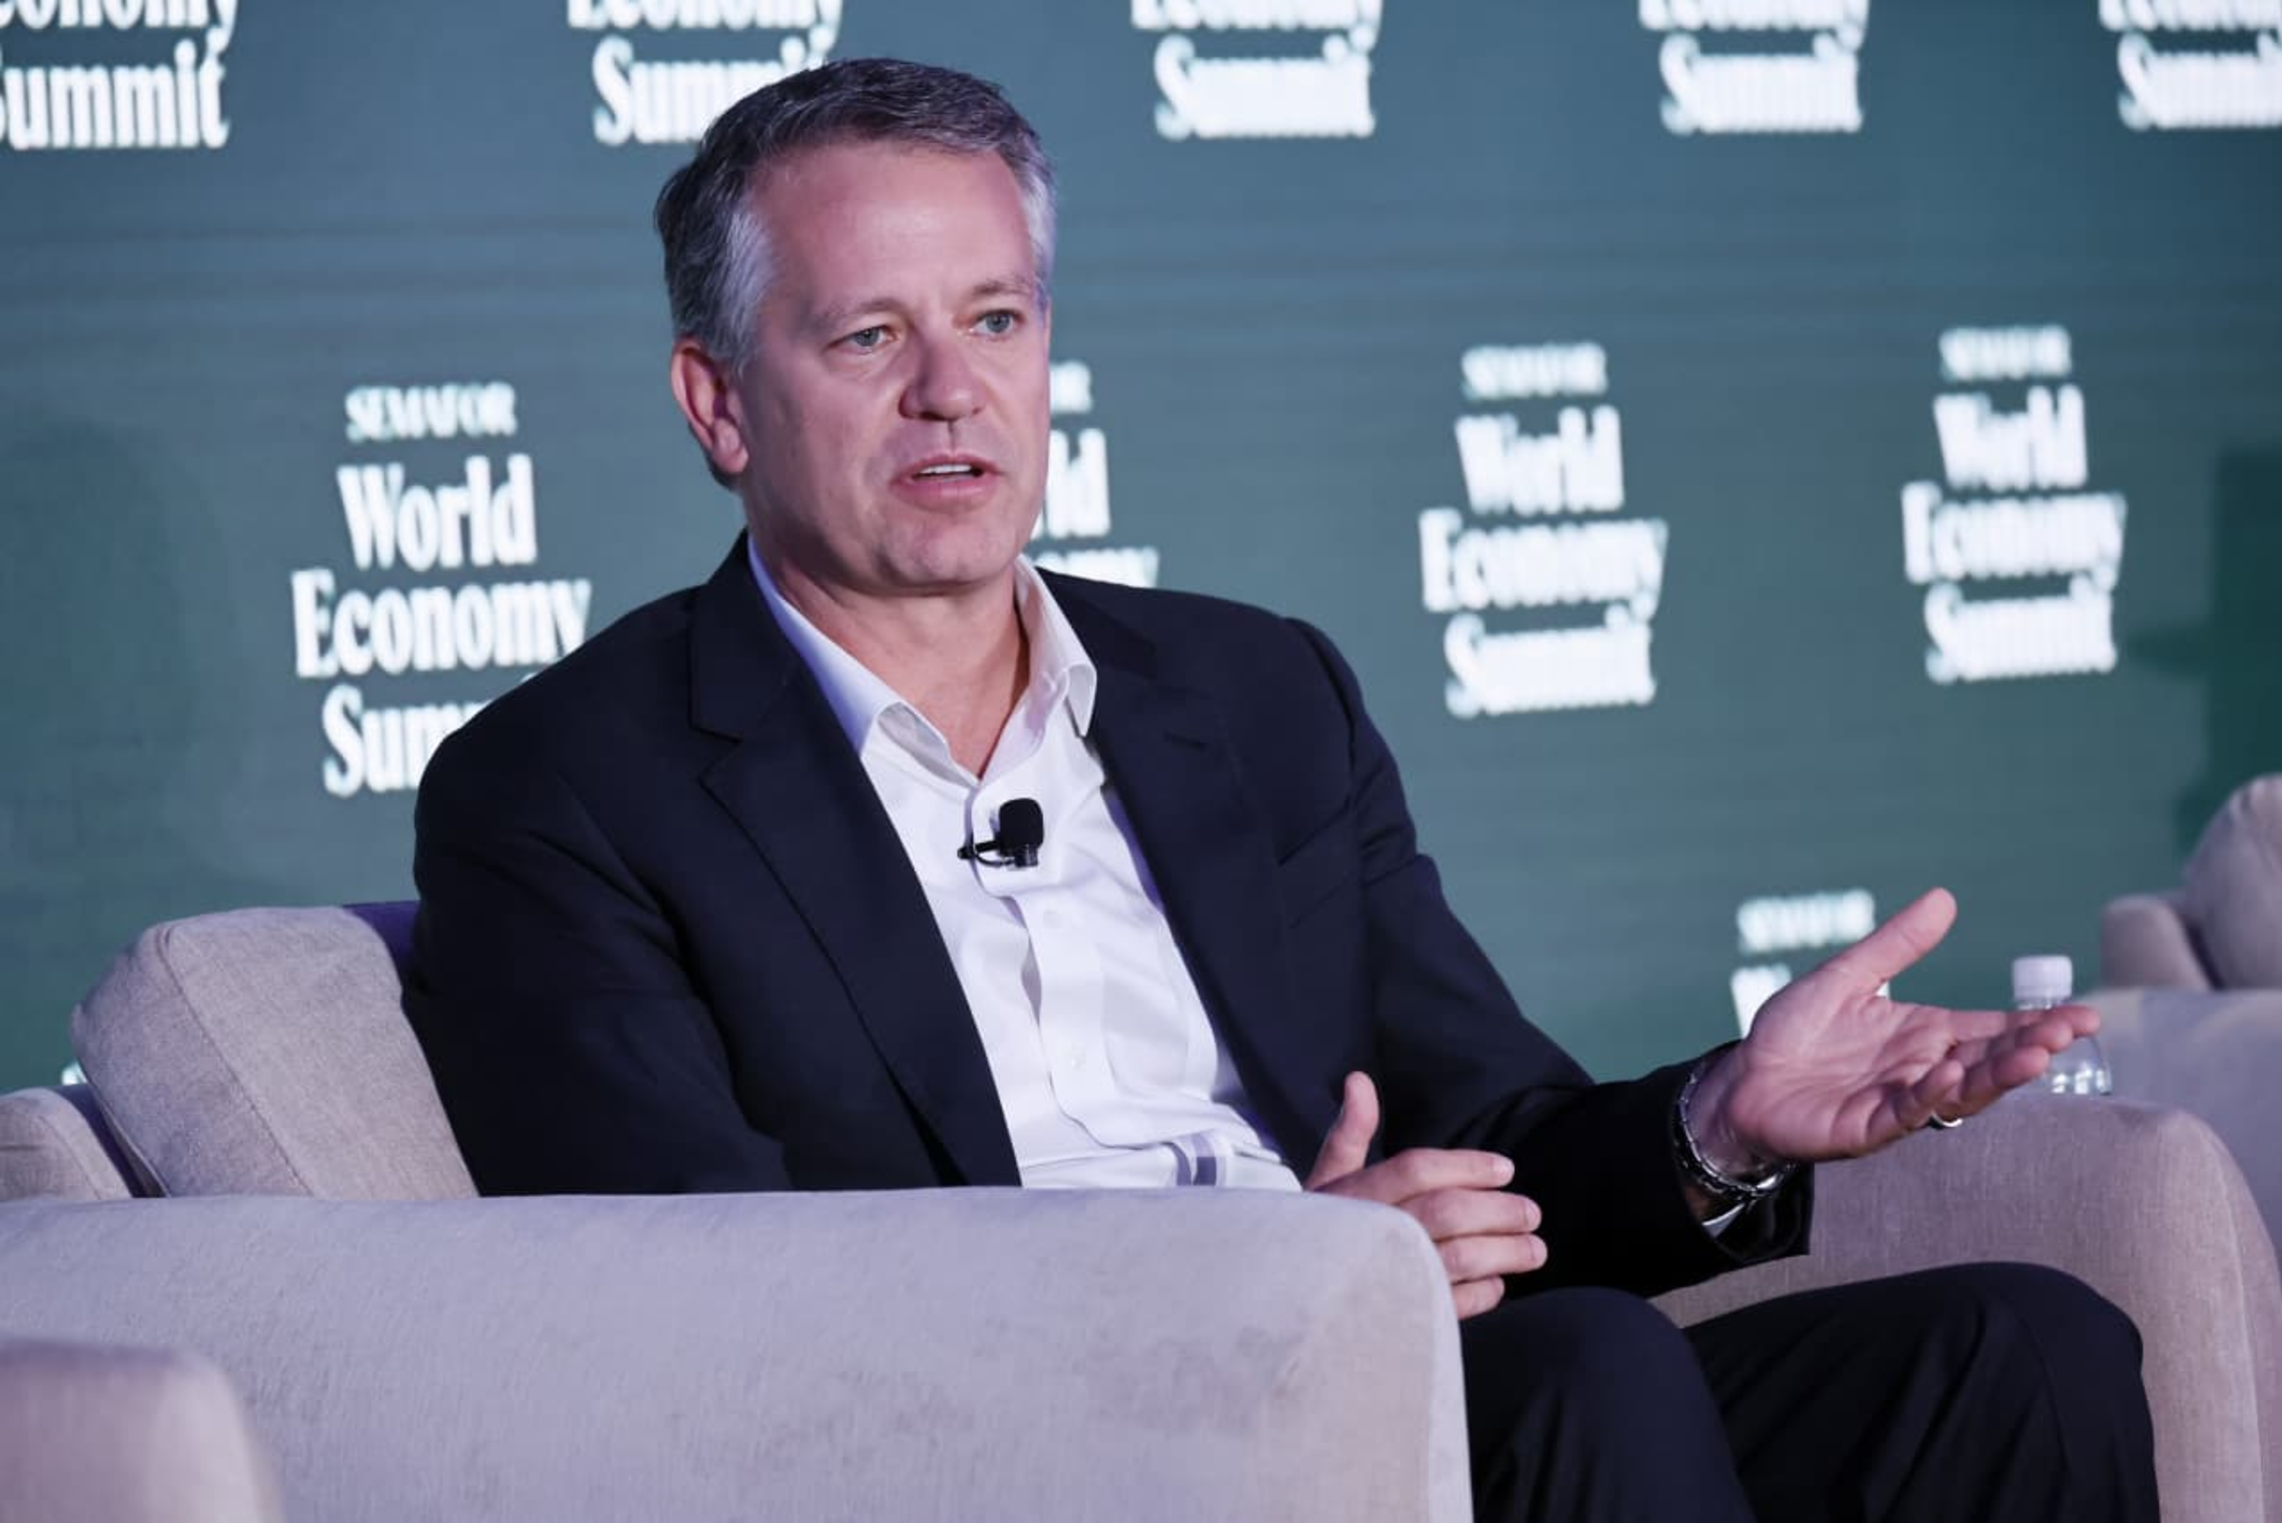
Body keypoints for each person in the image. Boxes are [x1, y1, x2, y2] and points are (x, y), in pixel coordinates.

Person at [404, 57, 2158, 1521]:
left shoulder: (1248, 694)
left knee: (2016, 1350)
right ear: (719, 403)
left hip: (1392, 1390)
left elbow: (1490, 1137)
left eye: (995, 318)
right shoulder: (567, 791)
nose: (952, 392)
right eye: (867, 337)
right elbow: (708, 1303)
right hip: (1031, 1451)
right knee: (1579, 1371)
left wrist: (1720, 1122)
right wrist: (1260, 1278)